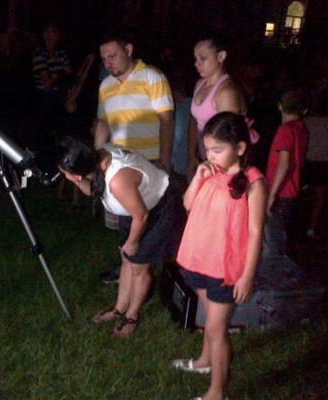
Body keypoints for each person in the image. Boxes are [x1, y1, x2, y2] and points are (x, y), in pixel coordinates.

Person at [174, 112, 267, 400]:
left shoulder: (253, 182)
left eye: (217, 150)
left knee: (217, 329)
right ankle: (204, 361)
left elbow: (255, 233)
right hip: (199, 258)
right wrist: (199, 176)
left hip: (226, 267)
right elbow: (188, 204)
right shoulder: (210, 172)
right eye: (207, 150)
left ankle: (217, 393)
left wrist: (247, 275)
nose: (210, 156)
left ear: (239, 148)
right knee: (207, 317)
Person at [56, 137, 184, 338]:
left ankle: (132, 315)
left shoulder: (117, 179)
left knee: (139, 266)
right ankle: (119, 308)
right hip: (134, 210)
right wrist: (75, 180)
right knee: (126, 260)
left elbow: (141, 215)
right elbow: (93, 189)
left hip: (157, 209)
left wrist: (133, 243)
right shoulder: (97, 156)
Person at [94, 32, 175, 284]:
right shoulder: (105, 86)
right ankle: (127, 269)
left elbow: (166, 120)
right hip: (118, 165)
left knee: (144, 223)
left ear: (128, 49)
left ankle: (141, 274)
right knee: (124, 222)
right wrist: (97, 159)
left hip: (147, 163)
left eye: (113, 56)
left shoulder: (152, 76)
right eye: (104, 58)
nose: (108, 63)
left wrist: (163, 159)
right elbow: (102, 123)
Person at [188, 32, 248, 179]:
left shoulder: (226, 92)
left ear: (221, 56)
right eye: (196, 58)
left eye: (203, 58)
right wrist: (191, 156)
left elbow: (229, 140)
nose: (197, 63)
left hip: (221, 162)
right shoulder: (200, 84)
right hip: (205, 154)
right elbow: (194, 122)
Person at [263, 90, 310, 256]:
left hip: (280, 193)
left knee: (272, 243)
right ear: (304, 110)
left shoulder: (285, 130)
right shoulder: (302, 129)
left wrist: (271, 196)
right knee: (279, 238)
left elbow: (284, 164)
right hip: (292, 192)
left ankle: (274, 279)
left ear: (280, 106)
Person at [31, 22, 72, 175]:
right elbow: (47, 81)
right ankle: (43, 170)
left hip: (58, 98)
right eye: (47, 31)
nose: (50, 35)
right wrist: (60, 75)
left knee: (61, 136)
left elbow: (70, 75)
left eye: (53, 31)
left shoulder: (61, 53)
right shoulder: (39, 54)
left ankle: (60, 168)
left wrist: (58, 76)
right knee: (44, 136)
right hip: (44, 99)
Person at [303, 89, 328, 240]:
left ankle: (302, 226)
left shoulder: (307, 121)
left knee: (305, 196)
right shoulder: (309, 121)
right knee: (319, 199)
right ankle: (310, 228)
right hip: (321, 164)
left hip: (307, 162)